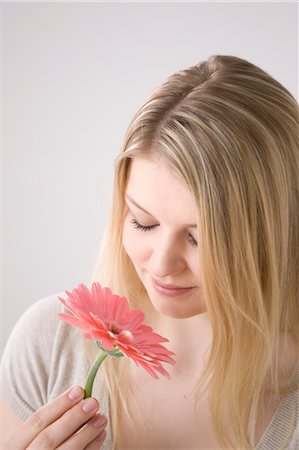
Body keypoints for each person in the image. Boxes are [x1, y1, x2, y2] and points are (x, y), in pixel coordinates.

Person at [1, 54, 298, 450]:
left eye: (199, 239)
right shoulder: (49, 344)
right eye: (144, 222)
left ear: (273, 233)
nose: (161, 264)